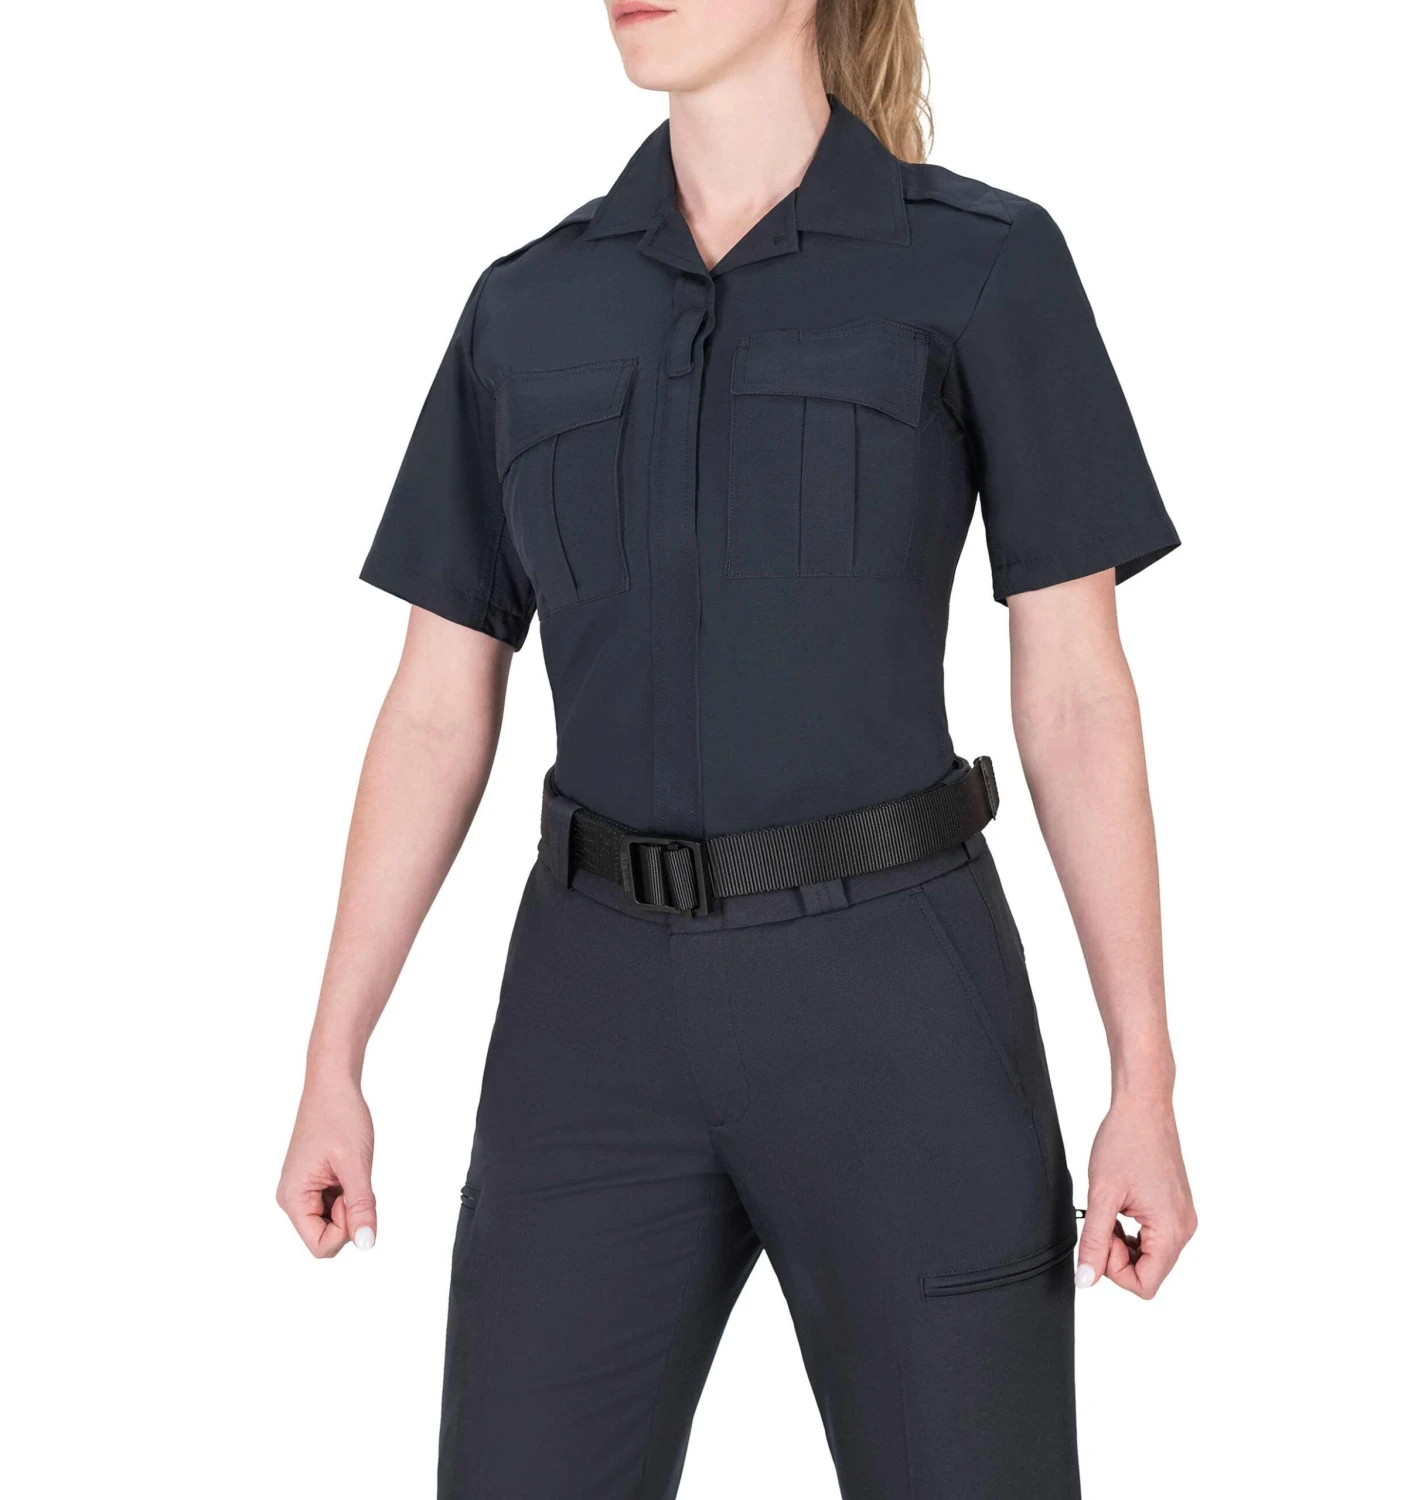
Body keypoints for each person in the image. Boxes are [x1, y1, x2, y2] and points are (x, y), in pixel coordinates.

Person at [277, 1, 1197, 1493]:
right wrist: (335, 1054)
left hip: (895, 1008)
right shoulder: (529, 306)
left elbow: (1078, 695)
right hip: (590, 1022)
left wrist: (1141, 1080)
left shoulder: (982, 266)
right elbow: (439, 703)